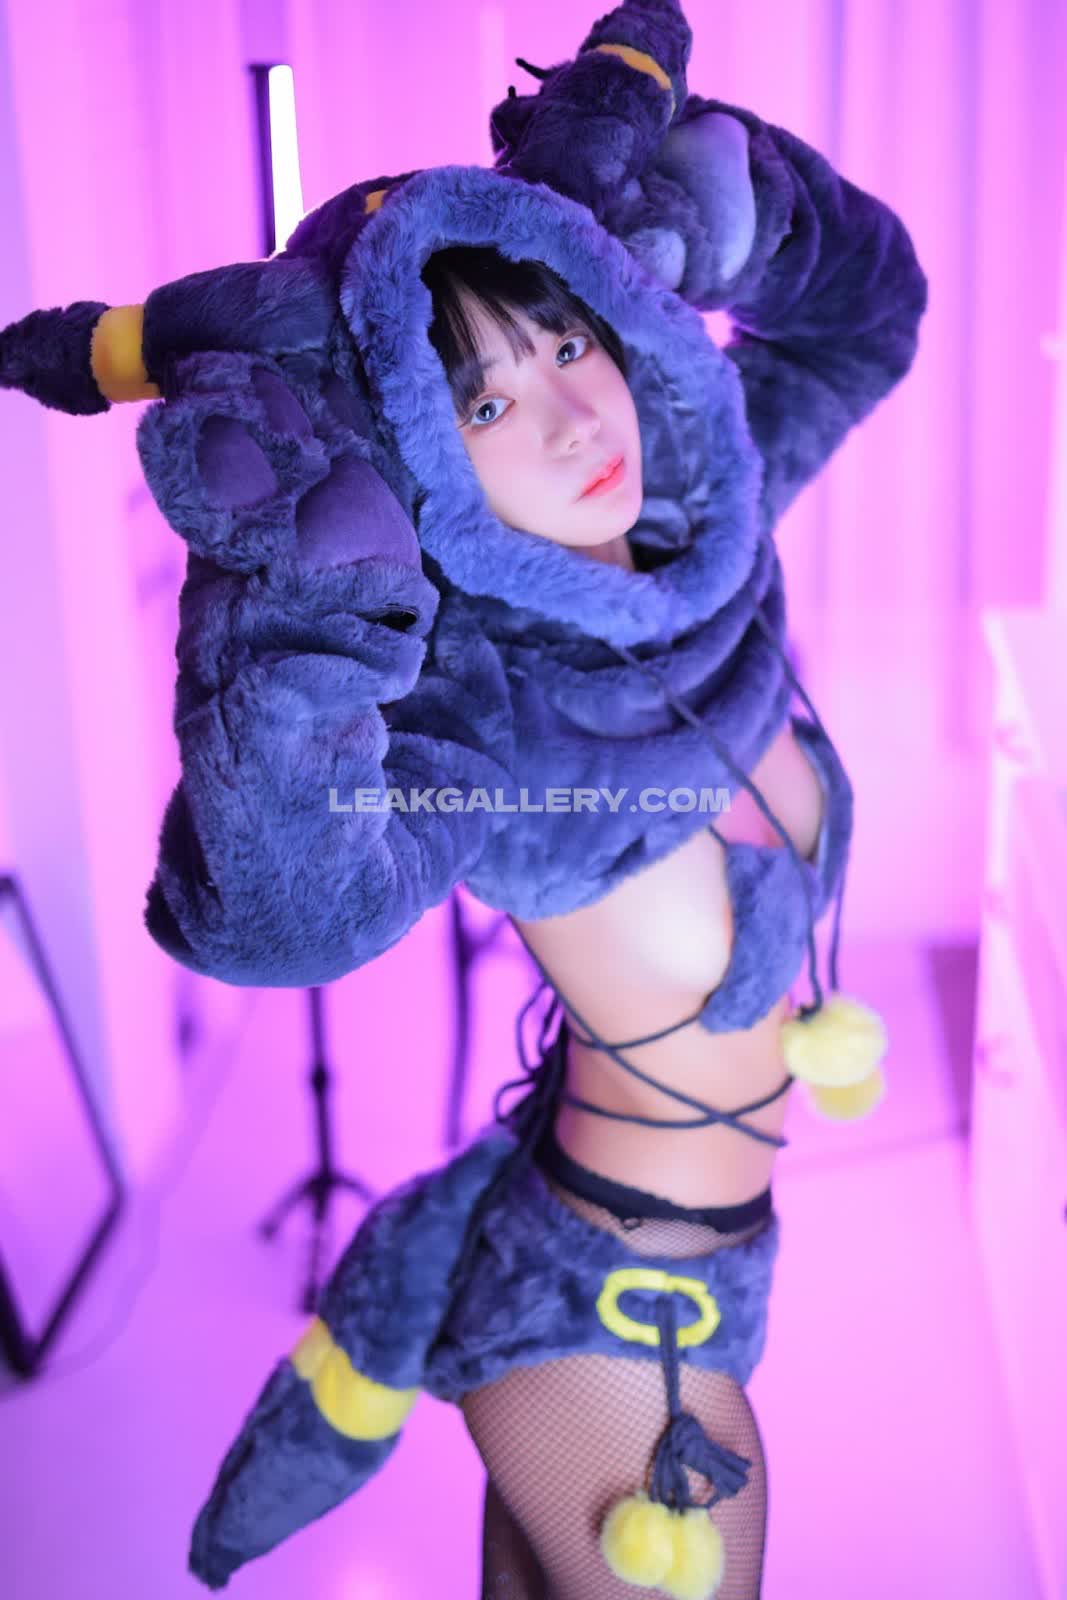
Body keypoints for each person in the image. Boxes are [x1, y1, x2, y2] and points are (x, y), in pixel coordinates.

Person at [0, 1, 927, 1593]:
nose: (572, 416)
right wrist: (299, 615)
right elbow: (275, 920)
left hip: (721, 1258)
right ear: (415, 451)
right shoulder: (473, 695)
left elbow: (868, 317)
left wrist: (731, 213)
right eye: (484, 403)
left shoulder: (711, 534)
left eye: (567, 340)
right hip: (605, 1310)